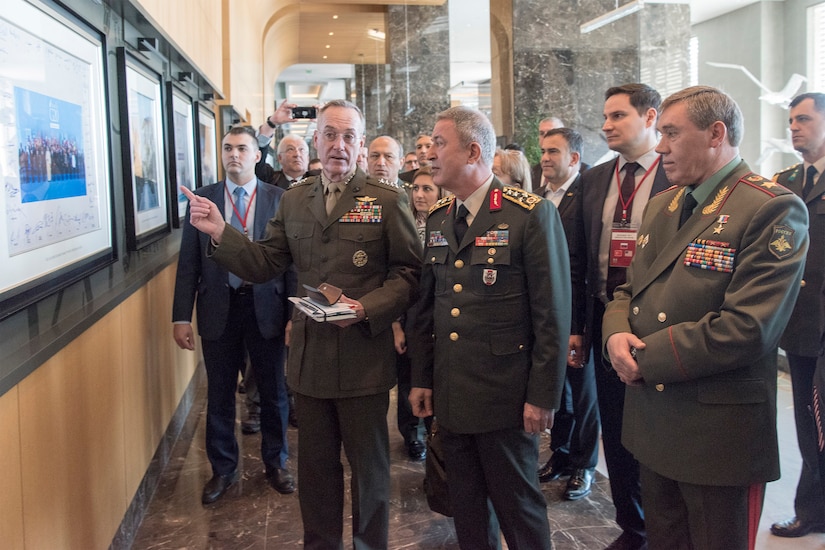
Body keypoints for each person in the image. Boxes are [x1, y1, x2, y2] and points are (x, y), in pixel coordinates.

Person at [180, 99, 421, 549]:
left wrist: (366, 308)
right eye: (330, 134)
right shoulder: (294, 200)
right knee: (315, 475)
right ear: (317, 139)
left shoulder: (387, 199)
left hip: (363, 361)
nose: (338, 145)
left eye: (349, 136)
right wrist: (220, 231)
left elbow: (409, 274)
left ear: (361, 145)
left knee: (369, 475)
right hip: (310, 365)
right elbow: (264, 261)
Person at [603, 85, 809, 550]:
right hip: (656, 423)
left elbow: (747, 328)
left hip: (718, 438)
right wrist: (616, 334)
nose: (660, 146)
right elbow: (628, 291)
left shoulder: (769, 207)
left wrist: (643, 358)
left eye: (672, 133)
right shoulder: (665, 204)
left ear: (716, 134)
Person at [409, 106, 571, 550]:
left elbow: (552, 315)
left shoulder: (529, 215)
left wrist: (543, 395)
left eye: (440, 144)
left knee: (518, 507)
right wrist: (422, 377)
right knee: (466, 508)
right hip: (453, 391)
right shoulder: (441, 218)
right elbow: (428, 309)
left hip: (506, 395)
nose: (430, 154)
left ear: (473, 151)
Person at [172, 126, 294, 504]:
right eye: (227, 148)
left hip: (267, 308)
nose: (234, 155)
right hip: (218, 308)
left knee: (273, 391)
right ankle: (223, 469)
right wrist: (180, 316)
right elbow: (189, 261)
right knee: (221, 394)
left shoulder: (280, 199)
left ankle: (276, 463)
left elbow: (292, 264)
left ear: (258, 155)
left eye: (242, 148)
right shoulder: (204, 198)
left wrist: (294, 314)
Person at [578, 83, 671, 550]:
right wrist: (579, 328)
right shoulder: (594, 180)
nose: (606, 125)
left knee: (657, 431)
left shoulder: (677, 176)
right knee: (613, 429)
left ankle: (665, 527)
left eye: (617, 116)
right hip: (601, 318)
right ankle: (633, 527)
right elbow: (578, 260)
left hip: (659, 326)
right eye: (605, 116)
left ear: (650, 117)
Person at [770, 92, 825, 538]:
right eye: (791, 121)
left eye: (803, 119)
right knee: (807, 421)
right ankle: (810, 510)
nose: (794, 127)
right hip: (802, 321)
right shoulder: (786, 180)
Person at [533, 128, 597, 501]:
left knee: (584, 396)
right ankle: (560, 455)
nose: (545, 157)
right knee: (557, 390)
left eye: (553, 151)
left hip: (578, 314)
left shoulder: (586, 195)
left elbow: (585, 265)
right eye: (542, 151)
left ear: (574, 158)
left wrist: (580, 325)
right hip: (548, 314)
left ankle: (584, 465)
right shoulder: (540, 197)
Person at [392, 165, 439, 460]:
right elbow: (395, 275)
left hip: (438, 314)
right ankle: (411, 434)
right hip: (409, 314)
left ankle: (434, 431)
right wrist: (396, 325)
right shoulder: (403, 223)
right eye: (416, 189)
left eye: (427, 189)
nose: (419, 195)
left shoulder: (448, 223)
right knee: (408, 375)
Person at [530, 116, 564, 187]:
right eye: (542, 133)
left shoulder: (583, 172)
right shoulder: (532, 172)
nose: (545, 137)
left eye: (550, 133)